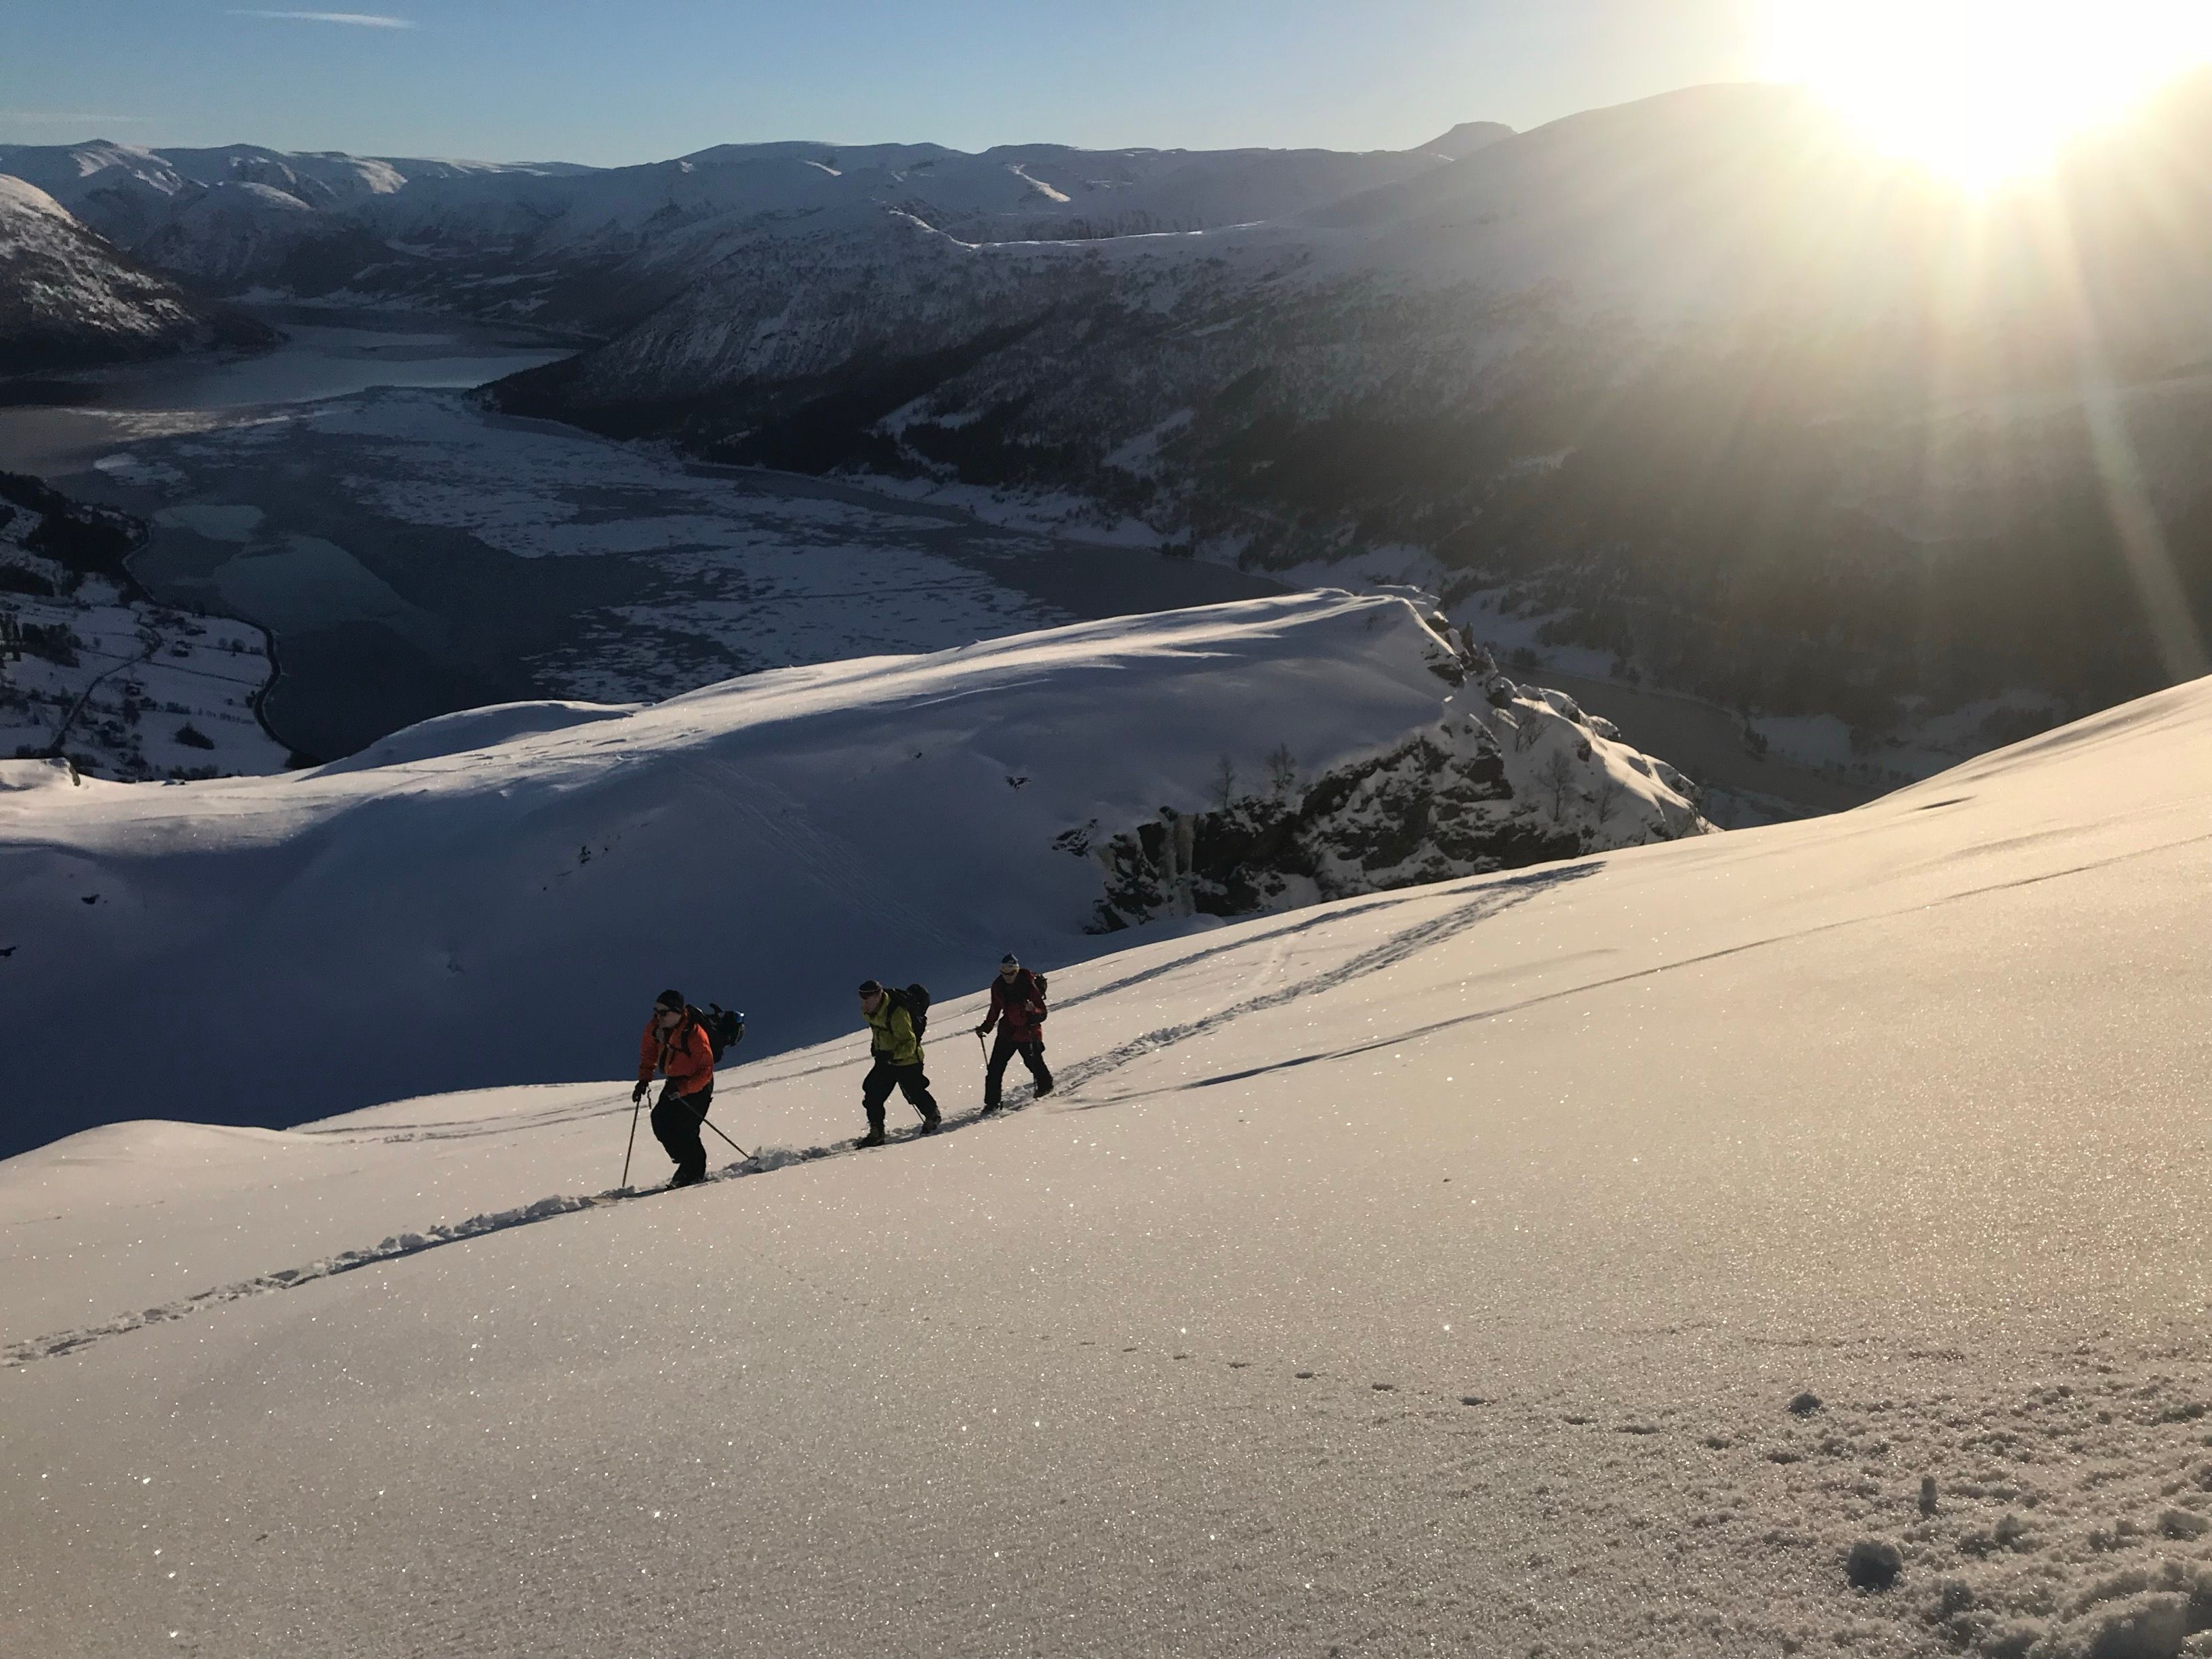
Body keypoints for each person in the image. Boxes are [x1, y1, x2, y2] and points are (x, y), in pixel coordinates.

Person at [635, 989, 716, 1187]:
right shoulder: (655, 1028)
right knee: (660, 1121)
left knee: (686, 1129)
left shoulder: (696, 1034)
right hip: (674, 1082)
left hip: (697, 1085)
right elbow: (648, 1054)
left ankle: (694, 1172)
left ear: (677, 1013)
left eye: (663, 1013)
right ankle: (686, 1164)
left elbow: (706, 1071)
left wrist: (684, 1088)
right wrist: (644, 1080)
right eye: (656, 1012)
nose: (658, 1016)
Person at [857, 979, 939, 1147]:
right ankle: (877, 1132)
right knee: (872, 1093)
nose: (864, 1000)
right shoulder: (871, 1011)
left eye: (867, 997)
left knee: (914, 1092)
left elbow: (910, 1042)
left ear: (878, 995)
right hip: (886, 1060)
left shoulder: (897, 1013)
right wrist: (878, 1049)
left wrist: (892, 1055)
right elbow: (879, 1032)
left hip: (908, 1060)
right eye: (862, 996)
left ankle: (933, 1115)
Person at [977, 953, 1052, 1113]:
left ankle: (1046, 1087)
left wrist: (1033, 1010)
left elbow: (1043, 1013)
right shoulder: (998, 985)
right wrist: (986, 1027)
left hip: (1027, 1031)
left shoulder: (1028, 983)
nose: (1006, 977)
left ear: (1016, 971)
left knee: (1033, 1063)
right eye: (1003, 973)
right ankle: (992, 1103)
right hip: (1008, 1031)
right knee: (995, 1068)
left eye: (1010, 973)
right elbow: (995, 1008)